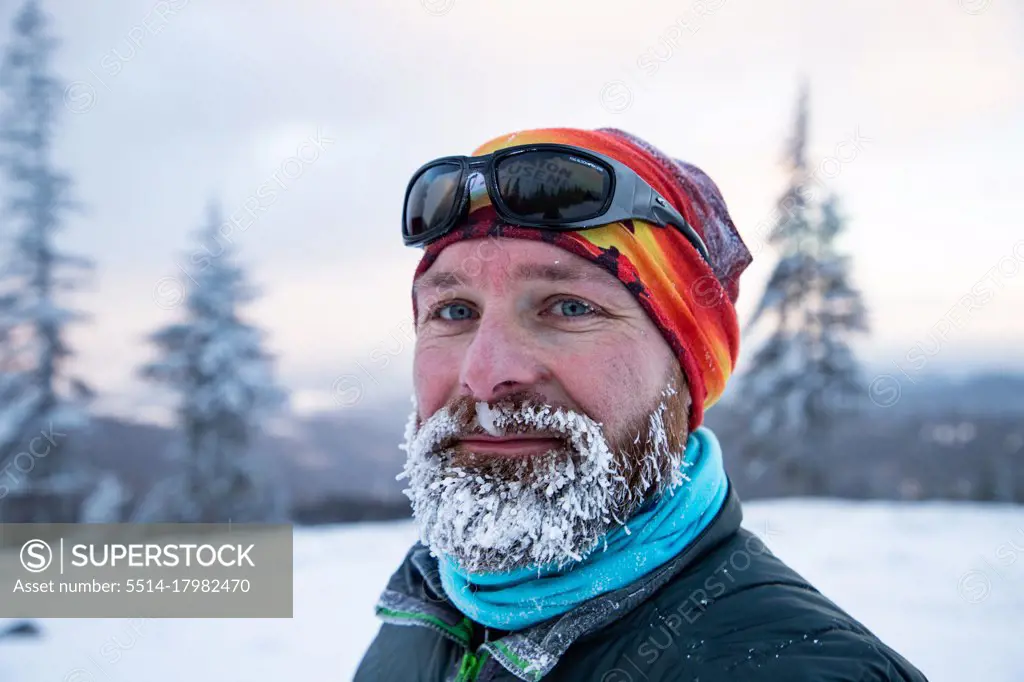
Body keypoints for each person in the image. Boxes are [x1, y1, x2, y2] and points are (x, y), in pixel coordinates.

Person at [354, 127, 927, 681]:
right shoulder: (425, 607)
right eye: (454, 311)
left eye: (569, 307)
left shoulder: (802, 669)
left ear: (684, 368)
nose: (484, 374)